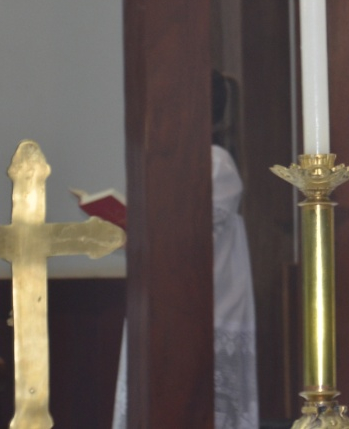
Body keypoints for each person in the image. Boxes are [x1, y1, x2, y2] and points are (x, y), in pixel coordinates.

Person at [113, 70, 258, 429]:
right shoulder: (174, 156)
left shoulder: (215, 160)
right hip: (168, 294)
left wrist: (147, 228)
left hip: (207, 298)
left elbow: (191, 233)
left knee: (203, 403)